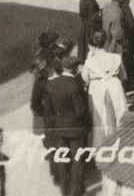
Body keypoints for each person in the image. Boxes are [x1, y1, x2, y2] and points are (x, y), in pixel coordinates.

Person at [42, 54, 91, 195]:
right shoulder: (75, 85)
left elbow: (48, 110)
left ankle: (64, 190)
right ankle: (76, 191)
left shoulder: (52, 84)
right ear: (74, 69)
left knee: (62, 160)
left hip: (59, 128)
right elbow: (80, 111)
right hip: (76, 129)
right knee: (77, 160)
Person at [77, 0, 102, 64]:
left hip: (85, 27)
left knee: (84, 48)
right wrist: (101, 13)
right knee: (90, 48)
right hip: (91, 28)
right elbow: (93, 17)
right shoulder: (90, 2)